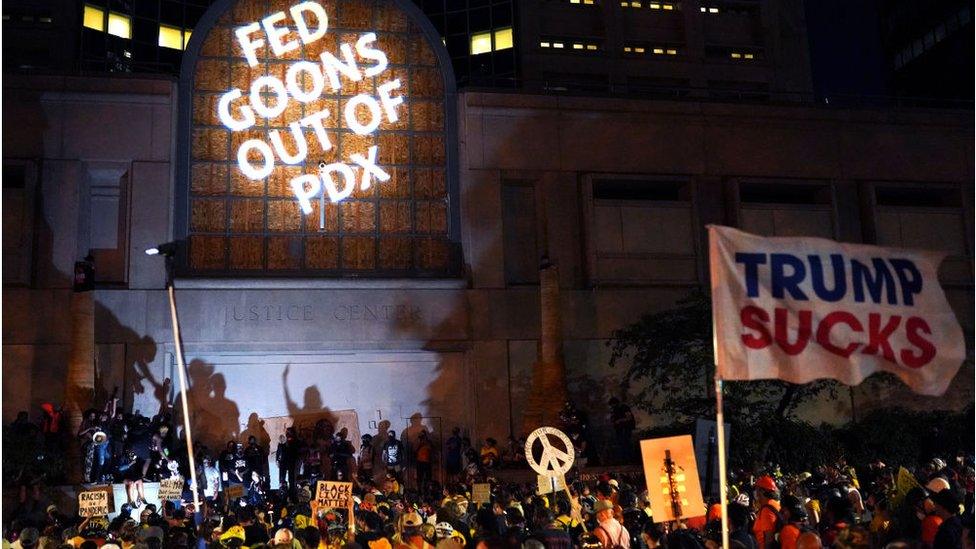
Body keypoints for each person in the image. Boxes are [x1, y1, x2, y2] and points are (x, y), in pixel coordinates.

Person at [752, 475, 782, 549]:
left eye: (756, 489)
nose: (755, 492)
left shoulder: (767, 510)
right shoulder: (772, 504)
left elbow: (769, 540)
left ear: (762, 491)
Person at [608, 398, 636, 463]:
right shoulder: (614, 410)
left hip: (626, 428)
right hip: (619, 429)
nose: (612, 406)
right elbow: (613, 419)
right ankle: (624, 459)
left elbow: (629, 417)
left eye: (612, 405)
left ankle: (630, 458)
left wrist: (620, 420)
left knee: (626, 443)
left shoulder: (624, 407)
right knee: (621, 443)